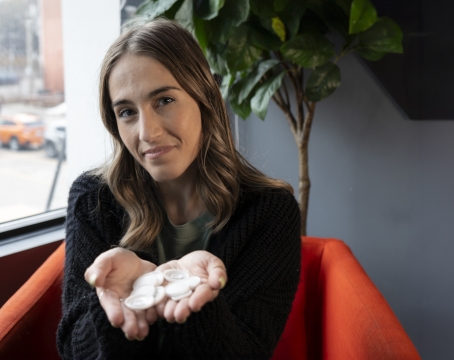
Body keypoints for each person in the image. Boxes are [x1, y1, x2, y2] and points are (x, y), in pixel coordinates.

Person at [57, 18, 301, 359]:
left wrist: (191, 298)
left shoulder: (269, 212)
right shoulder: (92, 199)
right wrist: (130, 295)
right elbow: (74, 351)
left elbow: (249, 352)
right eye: (127, 112)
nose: (147, 133)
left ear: (204, 97)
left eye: (164, 101)